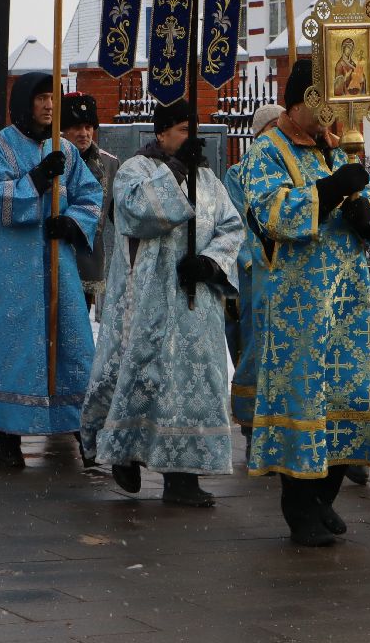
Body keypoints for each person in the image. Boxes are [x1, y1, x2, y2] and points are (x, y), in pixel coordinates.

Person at [234, 58, 370, 546]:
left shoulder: (337, 148)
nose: (331, 114)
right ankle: (299, 507)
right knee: (302, 401)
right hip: (298, 306)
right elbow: (271, 213)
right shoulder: (268, 150)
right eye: (322, 102)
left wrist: (368, 213)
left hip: (347, 302)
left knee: (349, 398)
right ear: (300, 101)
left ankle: (325, 496)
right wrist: (329, 191)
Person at [0, 71, 102, 470]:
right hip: (9, 271)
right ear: (24, 103)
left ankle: (83, 431)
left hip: (56, 268)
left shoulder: (65, 149)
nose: (48, 105)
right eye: (41, 98)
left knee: (72, 346)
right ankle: (8, 436)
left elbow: (90, 194)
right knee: (13, 351)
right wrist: (38, 179)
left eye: (52, 98)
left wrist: (72, 223)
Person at [81, 101, 243, 506]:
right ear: (162, 132)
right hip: (146, 301)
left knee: (191, 387)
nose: (191, 138)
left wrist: (209, 263)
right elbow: (136, 214)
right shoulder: (136, 169)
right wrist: (175, 171)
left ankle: (182, 478)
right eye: (184, 130)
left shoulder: (208, 179)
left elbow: (230, 225)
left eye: (194, 130)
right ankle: (124, 452)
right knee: (141, 377)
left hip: (195, 304)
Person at [225, 102, 281, 444]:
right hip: (253, 276)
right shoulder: (238, 174)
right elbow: (235, 221)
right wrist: (254, 258)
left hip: (287, 273)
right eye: (272, 127)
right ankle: (251, 424)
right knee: (253, 345)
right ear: (259, 133)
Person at [59, 93, 118, 309]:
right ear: (64, 129)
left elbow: (117, 213)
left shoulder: (109, 163)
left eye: (89, 127)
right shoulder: (52, 157)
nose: (84, 134)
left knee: (81, 316)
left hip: (89, 255)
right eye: (77, 127)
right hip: (57, 251)